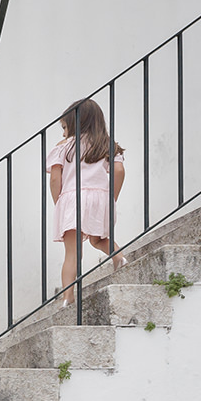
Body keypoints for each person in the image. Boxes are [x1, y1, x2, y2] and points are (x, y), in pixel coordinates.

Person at [48, 98, 126, 306]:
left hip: (72, 199)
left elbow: (55, 179)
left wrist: (60, 203)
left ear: (75, 123)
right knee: (98, 240)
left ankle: (67, 297)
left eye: (64, 127)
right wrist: (111, 198)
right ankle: (118, 257)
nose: (63, 133)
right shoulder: (107, 144)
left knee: (72, 252)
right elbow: (118, 171)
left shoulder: (63, 147)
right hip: (100, 198)